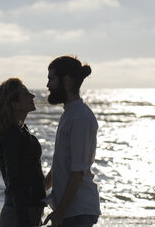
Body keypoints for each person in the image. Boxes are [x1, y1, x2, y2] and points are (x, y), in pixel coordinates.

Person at [0, 78, 46, 227]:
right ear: (14, 103)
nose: (32, 96)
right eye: (25, 94)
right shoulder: (12, 136)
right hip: (19, 214)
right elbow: (14, 182)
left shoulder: (21, 132)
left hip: (29, 211)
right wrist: (24, 221)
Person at [43, 56, 101, 227]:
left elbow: (78, 172)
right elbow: (61, 163)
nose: (47, 85)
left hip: (78, 212)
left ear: (66, 80)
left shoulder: (80, 117)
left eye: (51, 79)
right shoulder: (69, 114)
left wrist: (60, 212)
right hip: (70, 211)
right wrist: (41, 190)